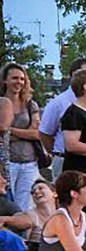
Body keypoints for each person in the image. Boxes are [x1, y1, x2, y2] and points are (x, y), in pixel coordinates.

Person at [39, 57, 86, 180]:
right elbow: (45, 133)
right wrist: (59, 154)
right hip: (69, 164)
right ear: (76, 75)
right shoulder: (59, 104)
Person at [1, 62, 41, 211]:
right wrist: (25, 134)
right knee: (6, 204)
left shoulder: (31, 105)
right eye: (14, 78)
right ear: (5, 80)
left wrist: (7, 130)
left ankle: (22, 235)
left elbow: (36, 134)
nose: (19, 82)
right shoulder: (1, 104)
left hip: (29, 163)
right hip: (6, 163)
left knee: (25, 207)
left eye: (22, 79)